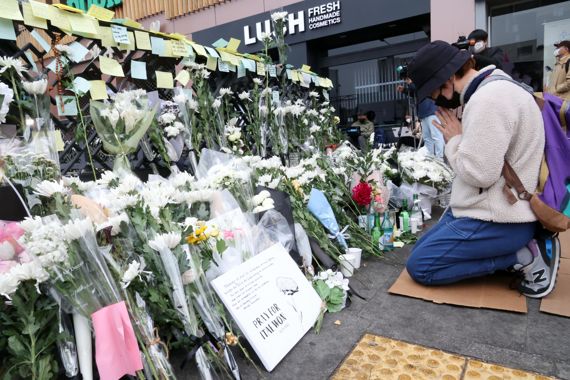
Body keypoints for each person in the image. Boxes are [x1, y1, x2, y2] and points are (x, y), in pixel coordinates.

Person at [405, 41, 560, 299]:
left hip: (500, 220)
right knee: (421, 247)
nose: (441, 101)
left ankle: (523, 255)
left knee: (420, 265)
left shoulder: (487, 100)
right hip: (494, 212)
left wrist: (454, 140)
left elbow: (480, 174)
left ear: (447, 79)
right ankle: (511, 251)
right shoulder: (498, 87)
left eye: (437, 93)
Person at [397, 79, 444, 158]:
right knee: (427, 138)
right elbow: (417, 93)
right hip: (424, 113)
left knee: (436, 136)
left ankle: (440, 158)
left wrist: (410, 83)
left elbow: (422, 89)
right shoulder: (418, 81)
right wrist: (405, 90)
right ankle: (430, 158)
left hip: (432, 111)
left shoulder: (427, 77)